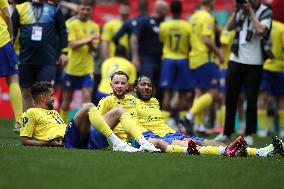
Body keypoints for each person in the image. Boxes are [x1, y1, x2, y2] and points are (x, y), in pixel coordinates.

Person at [133, 75, 284, 157]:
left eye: (149, 85)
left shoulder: (155, 101)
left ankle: (260, 151)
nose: (147, 87)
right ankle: (225, 152)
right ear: (134, 88)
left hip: (171, 133)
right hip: (151, 137)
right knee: (190, 144)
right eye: (143, 85)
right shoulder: (129, 102)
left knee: (206, 141)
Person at [19, 81, 140, 152]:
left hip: (78, 139)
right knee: (88, 106)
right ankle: (117, 142)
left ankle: (136, 142)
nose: (54, 98)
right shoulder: (31, 113)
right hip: (66, 140)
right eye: (51, 95)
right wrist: (50, 144)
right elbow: (24, 141)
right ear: (42, 98)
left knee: (117, 111)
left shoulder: (54, 112)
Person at [215, 0, 273, 145]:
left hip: (255, 61)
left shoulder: (266, 12)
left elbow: (261, 30)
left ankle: (249, 133)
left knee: (252, 98)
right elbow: (228, 27)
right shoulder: (240, 9)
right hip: (236, 58)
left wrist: (251, 13)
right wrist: (236, 11)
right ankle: (226, 132)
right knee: (231, 97)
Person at [12, 0, 68, 111]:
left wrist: (64, 52)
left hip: (48, 60)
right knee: (26, 91)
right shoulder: (20, 8)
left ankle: (43, 124)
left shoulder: (54, 8)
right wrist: (10, 53)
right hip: (25, 59)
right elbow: (12, 32)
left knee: (44, 92)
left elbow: (62, 31)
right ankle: (27, 123)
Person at [180, 0, 224, 135]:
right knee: (214, 92)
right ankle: (189, 116)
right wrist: (219, 54)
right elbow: (207, 40)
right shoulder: (207, 17)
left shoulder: (193, 17)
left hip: (194, 58)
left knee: (199, 92)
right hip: (205, 59)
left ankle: (198, 125)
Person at [59, 0, 99, 123]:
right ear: (78, 9)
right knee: (67, 98)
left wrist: (92, 43)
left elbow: (95, 47)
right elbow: (71, 44)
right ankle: (62, 125)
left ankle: (82, 126)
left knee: (87, 97)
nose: (85, 12)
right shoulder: (70, 23)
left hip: (87, 69)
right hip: (72, 68)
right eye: (82, 9)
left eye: (88, 9)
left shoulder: (94, 26)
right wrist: (89, 39)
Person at [159, 0, 193, 126]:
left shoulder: (164, 25)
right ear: (181, 10)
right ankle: (181, 123)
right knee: (183, 93)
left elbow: (162, 40)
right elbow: (190, 44)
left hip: (168, 59)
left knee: (167, 92)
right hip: (183, 59)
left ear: (170, 10)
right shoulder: (187, 26)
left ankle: (165, 123)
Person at [130, 0, 169, 101]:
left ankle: (156, 112)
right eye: (166, 11)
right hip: (146, 60)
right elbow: (134, 37)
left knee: (160, 89)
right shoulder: (145, 21)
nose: (167, 13)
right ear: (160, 10)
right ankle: (142, 111)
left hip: (160, 60)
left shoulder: (164, 24)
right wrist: (135, 56)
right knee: (146, 86)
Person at [257, 20, 284, 138]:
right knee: (281, 98)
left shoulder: (260, 27)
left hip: (263, 66)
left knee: (264, 98)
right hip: (278, 67)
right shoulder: (281, 27)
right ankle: (282, 129)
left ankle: (263, 129)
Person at [0, 0, 23, 131]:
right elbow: (7, 16)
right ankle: (20, 121)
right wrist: (11, 34)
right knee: (12, 78)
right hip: (2, 40)